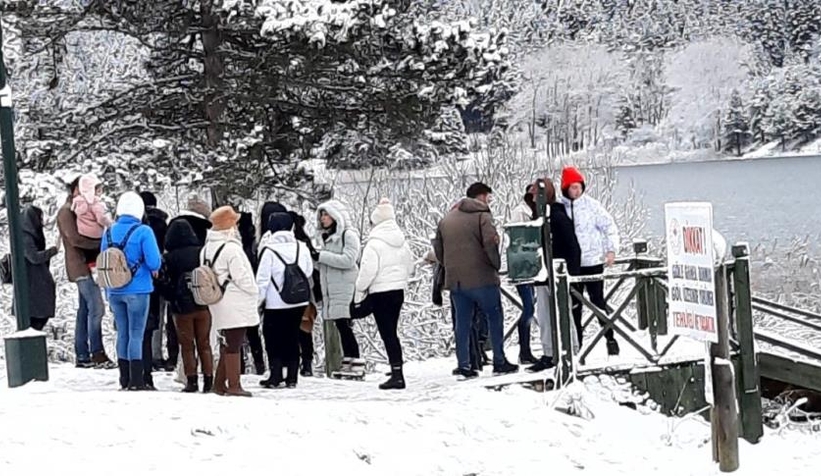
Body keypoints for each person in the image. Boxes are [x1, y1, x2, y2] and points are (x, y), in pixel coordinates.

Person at [434, 182, 518, 379]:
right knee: (494, 317)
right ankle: (499, 360)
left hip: (457, 281)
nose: (489, 201)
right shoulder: (482, 216)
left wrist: (450, 265)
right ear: (481, 196)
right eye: (488, 197)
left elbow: (438, 249)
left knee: (462, 323)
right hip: (483, 279)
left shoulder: (447, 219)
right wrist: (495, 264)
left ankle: (464, 365)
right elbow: (490, 243)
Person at [102, 192, 162, 390]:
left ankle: (124, 377)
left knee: (122, 333)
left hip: (114, 290)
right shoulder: (143, 231)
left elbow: (104, 259)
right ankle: (137, 380)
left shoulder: (108, 232)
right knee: (136, 333)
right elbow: (154, 262)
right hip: (138, 289)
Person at [560, 166, 622, 356]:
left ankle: (610, 338)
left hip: (593, 262)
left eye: (579, 187)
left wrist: (611, 250)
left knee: (598, 302)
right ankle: (577, 347)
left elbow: (609, 226)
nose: (576, 191)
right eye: (573, 187)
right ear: (566, 188)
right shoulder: (560, 208)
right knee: (575, 307)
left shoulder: (592, 206)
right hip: (572, 265)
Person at [354, 199, 415, 390]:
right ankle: (396, 368)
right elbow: (410, 267)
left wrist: (359, 289)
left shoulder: (374, 243)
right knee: (392, 333)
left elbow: (367, 271)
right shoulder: (402, 241)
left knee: (387, 334)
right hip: (398, 291)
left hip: (380, 293)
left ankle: (397, 374)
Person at [56, 176, 116, 369]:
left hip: (86, 265)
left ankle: (82, 354)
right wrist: (102, 243)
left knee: (85, 310)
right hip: (80, 266)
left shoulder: (78, 209)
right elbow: (75, 239)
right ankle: (96, 352)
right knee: (96, 307)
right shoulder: (67, 212)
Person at [526, 179, 582, 372]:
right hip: (543, 275)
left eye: (536, 195)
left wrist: (571, 276)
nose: (533, 199)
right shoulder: (539, 218)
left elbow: (572, 247)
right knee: (544, 316)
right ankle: (550, 352)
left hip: (558, 275)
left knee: (563, 314)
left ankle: (571, 351)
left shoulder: (557, 217)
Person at [204, 206, 260, 397]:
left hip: (217, 300)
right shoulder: (232, 249)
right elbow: (242, 276)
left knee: (228, 342)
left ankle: (219, 384)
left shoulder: (206, 248)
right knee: (235, 342)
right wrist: (255, 290)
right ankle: (234, 385)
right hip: (235, 301)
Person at [256, 212, 313, 388]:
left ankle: (276, 375)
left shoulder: (269, 250)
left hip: (275, 303)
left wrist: (257, 302)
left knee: (273, 338)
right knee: (292, 336)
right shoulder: (301, 247)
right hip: (298, 301)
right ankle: (292, 377)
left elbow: (262, 280)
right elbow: (308, 271)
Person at [160, 219, 214, 393]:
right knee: (204, 344)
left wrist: (172, 298)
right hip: (202, 303)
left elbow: (163, 283)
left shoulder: (169, 258)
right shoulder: (201, 253)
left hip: (181, 308)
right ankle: (209, 380)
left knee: (187, 345)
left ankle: (192, 381)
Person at [314, 199, 364, 377]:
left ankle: (355, 362)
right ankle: (349, 362)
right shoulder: (327, 238)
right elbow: (328, 264)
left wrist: (321, 256)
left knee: (345, 325)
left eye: (326, 215)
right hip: (333, 288)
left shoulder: (348, 235)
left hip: (345, 287)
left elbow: (348, 260)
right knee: (341, 325)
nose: (323, 219)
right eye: (321, 215)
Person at [140, 191, 170, 387]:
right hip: (157, 274)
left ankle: (142, 356)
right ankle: (157, 354)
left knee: (141, 322)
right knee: (157, 316)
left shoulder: (139, 224)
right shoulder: (162, 223)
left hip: (138, 278)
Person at [510, 185, 539, 365]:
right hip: (522, 265)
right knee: (528, 308)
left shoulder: (537, 211)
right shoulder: (521, 212)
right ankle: (524, 351)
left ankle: (526, 351)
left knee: (531, 307)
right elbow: (518, 238)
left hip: (534, 265)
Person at [289, 210, 319, 377]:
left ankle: (299, 362)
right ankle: (307, 363)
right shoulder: (305, 243)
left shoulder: (296, 245)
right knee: (305, 328)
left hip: (295, 291)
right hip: (306, 291)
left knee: (296, 328)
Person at [20, 206, 60, 331]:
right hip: (32, 283)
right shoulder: (25, 237)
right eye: (40, 218)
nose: (42, 221)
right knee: (36, 318)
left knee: (40, 315)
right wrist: (53, 250)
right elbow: (34, 257)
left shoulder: (31, 235)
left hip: (36, 281)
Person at [238, 209, 265, 376]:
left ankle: (239, 365)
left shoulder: (237, 246)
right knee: (253, 331)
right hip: (252, 291)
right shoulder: (255, 246)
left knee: (236, 331)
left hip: (238, 291)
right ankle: (259, 364)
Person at [71, 173, 112, 240]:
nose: (101, 193)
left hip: (82, 232)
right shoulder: (95, 204)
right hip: (96, 234)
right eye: (99, 191)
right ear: (92, 191)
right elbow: (101, 218)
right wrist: (110, 224)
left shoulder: (79, 202)